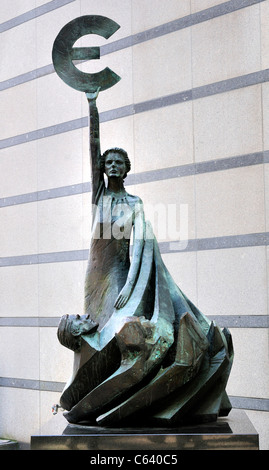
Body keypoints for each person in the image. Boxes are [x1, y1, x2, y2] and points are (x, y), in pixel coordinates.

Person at [57, 90, 233, 426]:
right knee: (96, 335)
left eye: (118, 163)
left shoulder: (135, 203)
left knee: (122, 331)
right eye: (108, 162)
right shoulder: (99, 195)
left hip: (125, 277)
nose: (111, 166)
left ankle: (130, 392)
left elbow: (140, 244)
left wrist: (133, 282)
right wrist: (93, 107)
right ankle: (93, 392)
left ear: (126, 169)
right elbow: (93, 147)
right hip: (98, 278)